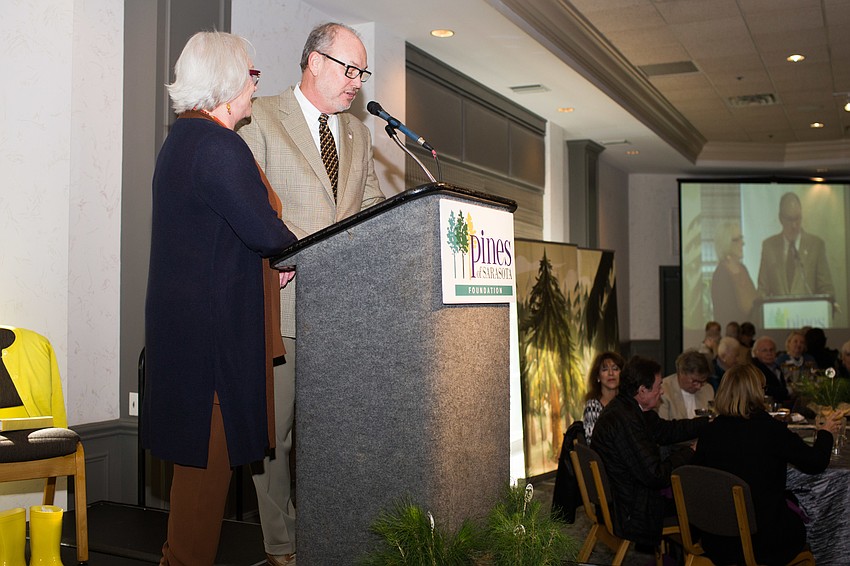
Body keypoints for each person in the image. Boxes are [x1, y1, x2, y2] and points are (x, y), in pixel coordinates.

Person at [142, 31, 297, 566]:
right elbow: (266, 231)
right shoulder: (217, 146)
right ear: (229, 83)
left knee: (197, 485)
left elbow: (222, 235)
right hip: (211, 348)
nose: (255, 87)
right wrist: (295, 251)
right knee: (203, 491)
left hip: (191, 338)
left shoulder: (182, 142)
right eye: (251, 76)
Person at [237, 22, 385, 566]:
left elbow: (370, 207)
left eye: (361, 73)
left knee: (332, 441)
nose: (356, 83)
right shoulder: (261, 118)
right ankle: (282, 546)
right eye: (349, 69)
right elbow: (246, 206)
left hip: (340, 313)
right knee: (274, 442)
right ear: (314, 63)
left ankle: (328, 536)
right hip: (284, 308)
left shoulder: (359, 134)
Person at [693, 363, 840, 565]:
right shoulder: (769, 430)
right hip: (763, 540)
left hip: (714, 537)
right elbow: (815, 463)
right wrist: (826, 433)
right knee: (809, 514)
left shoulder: (709, 432)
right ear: (756, 392)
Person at [591, 356, 708, 548]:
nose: (662, 391)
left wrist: (708, 424)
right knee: (698, 501)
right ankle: (694, 556)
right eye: (658, 386)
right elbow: (657, 475)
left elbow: (667, 430)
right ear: (642, 391)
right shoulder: (625, 420)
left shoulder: (629, 407)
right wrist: (690, 451)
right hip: (630, 509)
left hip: (626, 496)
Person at [757, 192, 834, 300]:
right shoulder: (769, 247)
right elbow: (762, 290)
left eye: (797, 218)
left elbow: (826, 289)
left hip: (808, 316)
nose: (794, 225)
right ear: (780, 218)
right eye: (789, 219)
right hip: (779, 315)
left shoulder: (816, 246)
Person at [711, 221, 757, 327]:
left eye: (741, 238)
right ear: (725, 243)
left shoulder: (743, 269)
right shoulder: (721, 275)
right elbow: (726, 315)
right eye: (737, 240)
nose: (742, 243)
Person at [657, 349, 714, 420]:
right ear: (681, 372)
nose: (699, 387)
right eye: (695, 381)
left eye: (703, 381)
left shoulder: (708, 389)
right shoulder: (664, 391)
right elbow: (664, 427)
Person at [581, 351, 624, 442]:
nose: (611, 373)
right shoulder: (593, 406)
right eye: (605, 370)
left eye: (615, 369)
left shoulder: (627, 402)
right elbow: (592, 441)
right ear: (598, 376)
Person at [750, 336, 788, 405]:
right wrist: (787, 391)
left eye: (771, 350)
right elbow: (764, 389)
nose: (769, 353)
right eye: (765, 350)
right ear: (756, 353)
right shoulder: (755, 369)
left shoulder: (776, 366)